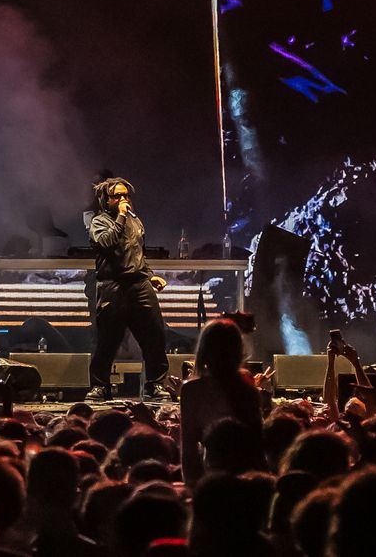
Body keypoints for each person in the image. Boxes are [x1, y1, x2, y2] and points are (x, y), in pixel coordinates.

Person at [87, 178, 169, 402]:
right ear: (106, 200)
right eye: (117, 196)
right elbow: (106, 243)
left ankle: (155, 384)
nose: (123, 200)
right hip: (113, 286)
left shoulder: (136, 222)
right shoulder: (99, 221)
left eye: (126, 195)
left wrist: (151, 276)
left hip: (139, 284)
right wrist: (121, 216)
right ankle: (100, 387)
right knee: (107, 341)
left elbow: (138, 254)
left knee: (154, 336)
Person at [180, 317, 263, 485]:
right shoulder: (248, 391)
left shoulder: (192, 390)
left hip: (210, 476)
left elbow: (189, 448)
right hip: (246, 478)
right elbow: (257, 447)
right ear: (237, 352)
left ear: (204, 351)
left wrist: (193, 488)